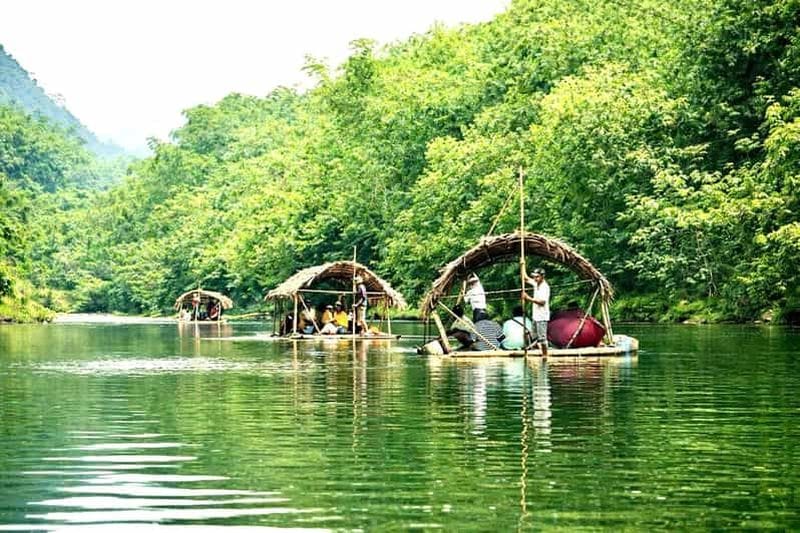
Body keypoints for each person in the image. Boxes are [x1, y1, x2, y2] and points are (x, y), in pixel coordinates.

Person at [523, 267, 550, 356]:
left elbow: (542, 302)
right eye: (534, 277)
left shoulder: (544, 287)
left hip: (542, 317)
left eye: (537, 277)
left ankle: (545, 356)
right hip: (535, 316)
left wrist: (528, 298)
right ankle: (539, 353)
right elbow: (526, 278)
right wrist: (523, 265)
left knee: (542, 338)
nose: (535, 279)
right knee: (534, 337)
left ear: (542, 276)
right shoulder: (536, 283)